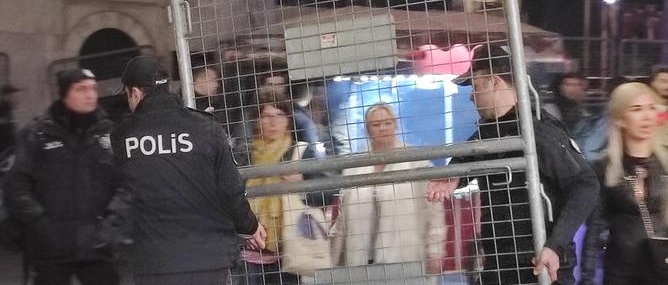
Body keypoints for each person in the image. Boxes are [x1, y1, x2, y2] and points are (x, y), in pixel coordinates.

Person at [426, 44, 600, 285]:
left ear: (495, 82)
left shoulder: (539, 130)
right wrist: (454, 174)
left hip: (539, 267)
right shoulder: (491, 130)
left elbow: (586, 185)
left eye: (475, 86)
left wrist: (555, 245)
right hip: (502, 263)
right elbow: (473, 152)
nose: (470, 95)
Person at [112, 56, 266, 285]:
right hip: (208, 257)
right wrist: (250, 227)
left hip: (155, 261)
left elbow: (119, 194)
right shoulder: (205, 127)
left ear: (135, 92)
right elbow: (230, 189)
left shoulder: (122, 137)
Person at [5, 68, 123, 285]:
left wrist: (111, 223)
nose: (90, 95)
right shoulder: (36, 135)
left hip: (97, 247)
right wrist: (42, 225)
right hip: (51, 250)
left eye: (93, 89)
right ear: (64, 94)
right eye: (81, 89)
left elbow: (126, 185)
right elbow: (16, 186)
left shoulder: (109, 133)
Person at [333, 103, 446, 273]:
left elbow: (434, 211)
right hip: (360, 259)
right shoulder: (353, 166)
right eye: (376, 125)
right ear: (367, 129)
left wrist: (435, 250)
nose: (383, 128)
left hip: (404, 256)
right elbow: (343, 217)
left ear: (395, 124)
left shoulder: (415, 161)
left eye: (387, 122)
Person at [580, 82, 668, 285]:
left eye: (651, 108)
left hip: (661, 267)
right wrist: (587, 277)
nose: (647, 116)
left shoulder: (664, 163)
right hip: (621, 270)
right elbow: (594, 227)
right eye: (636, 109)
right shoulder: (604, 167)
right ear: (620, 119)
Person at [238, 96, 329, 285]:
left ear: (288, 120)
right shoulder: (244, 155)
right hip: (249, 254)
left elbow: (327, 192)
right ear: (257, 121)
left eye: (280, 115)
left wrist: (303, 183)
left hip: (289, 250)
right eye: (267, 116)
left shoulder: (301, 152)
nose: (273, 122)